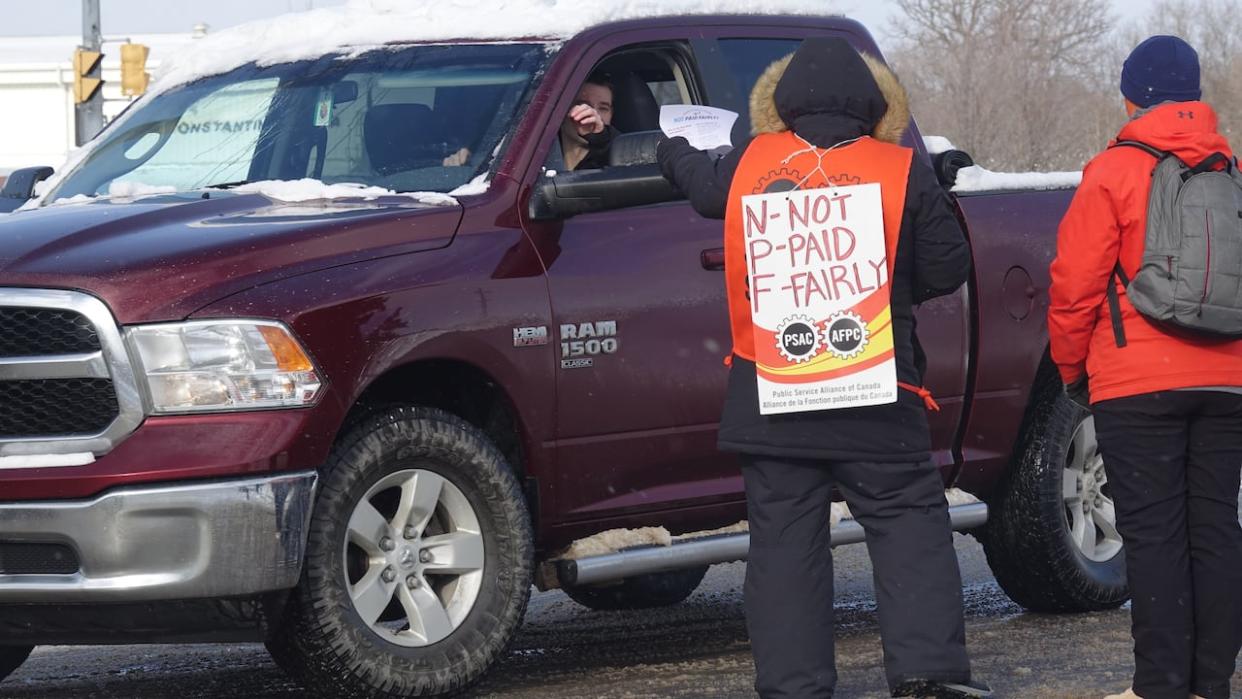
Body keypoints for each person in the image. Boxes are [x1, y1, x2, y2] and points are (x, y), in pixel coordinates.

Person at [656, 37, 989, 699]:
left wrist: (670, 151)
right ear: (875, 104)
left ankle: (793, 685)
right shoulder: (898, 168)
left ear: (780, 103)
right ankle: (929, 676)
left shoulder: (753, 162)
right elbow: (949, 267)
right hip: (876, 388)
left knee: (783, 547)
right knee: (907, 525)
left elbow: (699, 188)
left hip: (773, 392)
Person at [1049, 35, 1242, 699]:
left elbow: (1074, 285)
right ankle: (1209, 684)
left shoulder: (1112, 170)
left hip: (1137, 382)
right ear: (1194, 93)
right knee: (1216, 527)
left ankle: (1160, 685)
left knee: (1155, 535)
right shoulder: (1232, 167)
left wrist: (1074, 369)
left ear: (1131, 96)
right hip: (1227, 379)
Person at [442, 75, 616, 169]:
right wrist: (463, 167)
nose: (594, 113)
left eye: (603, 108)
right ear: (562, 108)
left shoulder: (620, 149)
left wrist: (598, 136)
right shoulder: (533, 141)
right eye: (582, 105)